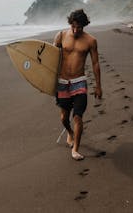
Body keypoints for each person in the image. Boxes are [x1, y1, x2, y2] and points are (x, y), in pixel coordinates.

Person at [53, 9, 102, 161]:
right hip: (62, 83)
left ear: (84, 26)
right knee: (63, 118)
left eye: (79, 27)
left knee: (78, 117)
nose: (75, 30)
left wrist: (98, 86)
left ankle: (75, 149)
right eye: (73, 26)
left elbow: (95, 63)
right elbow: (51, 57)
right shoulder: (61, 36)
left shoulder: (90, 41)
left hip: (79, 82)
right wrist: (47, 81)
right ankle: (70, 132)